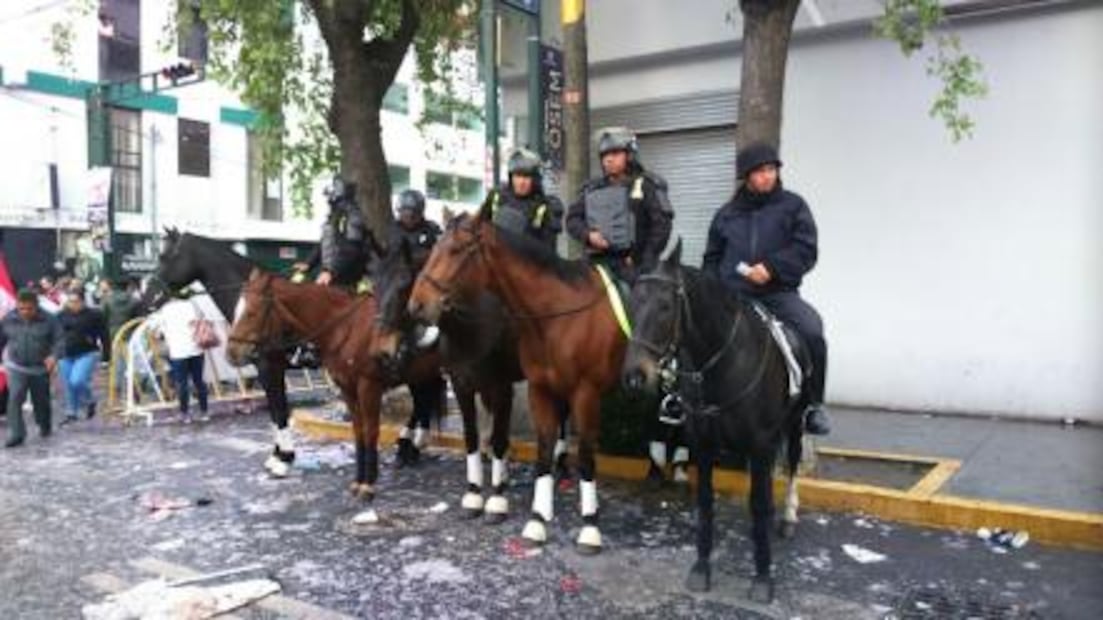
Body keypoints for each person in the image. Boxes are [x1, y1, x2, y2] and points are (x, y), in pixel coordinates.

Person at [702, 142, 831, 436]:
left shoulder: (793, 206)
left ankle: (814, 406)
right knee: (694, 333)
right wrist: (714, 291)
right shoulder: (726, 214)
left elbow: (806, 250)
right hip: (733, 298)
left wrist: (772, 268)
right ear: (746, 177)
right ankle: (685, 402)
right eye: (759, 172)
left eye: (771, 170)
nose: (767, 176)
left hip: (778, 295)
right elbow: (711, 259)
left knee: (812, 330)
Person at [566, 126, 674, 284]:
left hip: (636, 269)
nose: (608, 159)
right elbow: (572, 219)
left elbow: (661, 227)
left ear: (629, 155)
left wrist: (643, 260)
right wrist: (588, 235)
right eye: (604, 156)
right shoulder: (591, 188)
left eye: (615, 153)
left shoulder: (647, 184)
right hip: (597, 267)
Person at [1, 290, 62, 447]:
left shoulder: (50, 320)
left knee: (41, 400)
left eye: (29, 309)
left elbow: (59, 341)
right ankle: (16, 433)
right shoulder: (9, 319)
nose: (25, 312)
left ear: (36, 306)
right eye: (22, 308)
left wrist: (54, 356)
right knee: (14, 398)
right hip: (16, 366)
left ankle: (44, 424)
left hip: (40, 367)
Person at [147, 289, 209, 422]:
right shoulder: (193, 305)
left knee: (182, 383)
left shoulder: (165, 310)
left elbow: (154, 329)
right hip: (197, 348)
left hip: (178, 351)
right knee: (199, 381)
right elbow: (202, 319)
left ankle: (185, 413)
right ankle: (204, 412)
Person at [485, 148, 564, 250]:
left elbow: (548, 251)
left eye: (526, 177)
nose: (521, 182)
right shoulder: (497, 196)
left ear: (535, 179)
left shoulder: (546, 206)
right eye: (517, 176)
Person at [315, 175, 376, 291]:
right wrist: (308, 263)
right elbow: (324, 244)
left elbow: (351, 250)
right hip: (333, 275)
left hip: (349, 279)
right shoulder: (335, 215)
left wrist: (331, 272)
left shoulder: (353, 216)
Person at [57, 288, 108, 423]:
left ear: (83, 301)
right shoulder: (61, 315)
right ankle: (71, 413)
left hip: (87, 352)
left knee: (77, 381)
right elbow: (54, 335)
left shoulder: (95, 314)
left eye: (76, 301)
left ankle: (89, 400)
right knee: (68, 385)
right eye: (70, 301)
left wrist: (107, 355)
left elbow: (104, 335)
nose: (73, 304)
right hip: (65, 353)